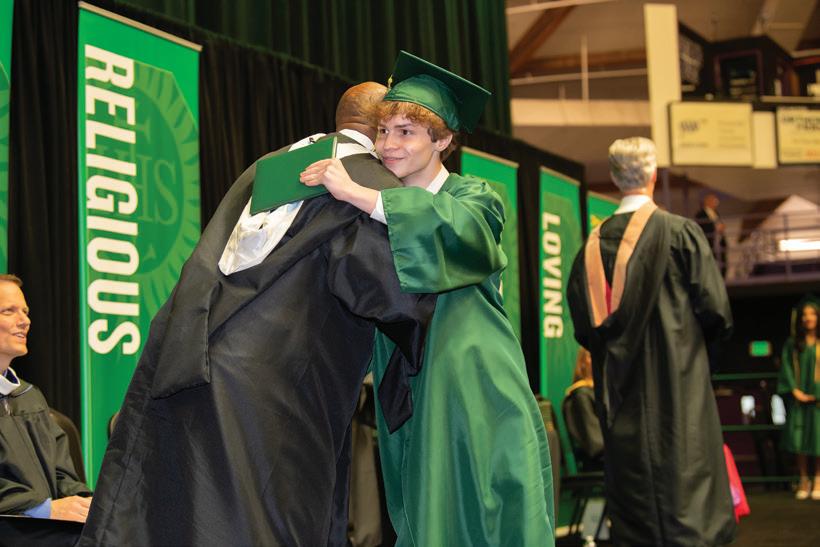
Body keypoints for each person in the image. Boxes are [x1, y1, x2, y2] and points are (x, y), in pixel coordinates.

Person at [79, 83, 437, 546]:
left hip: (194, 349)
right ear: (379, 127)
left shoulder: (273, 163)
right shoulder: (367, 181)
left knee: (184, 515)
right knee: (264, 521)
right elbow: (380, 287)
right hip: (279, 385)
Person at [302, 51, 554, 545]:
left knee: (481, 511)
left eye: (406, 132)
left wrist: (358, 194)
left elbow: (457, 234)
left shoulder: (475, 198)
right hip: (408, 387)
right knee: (424, 512)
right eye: (383, 131)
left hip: (471, 377)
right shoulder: (373, 207)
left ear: (443, 140)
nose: (388, 145)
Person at [566, 137, 736, 545]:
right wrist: (696, 362)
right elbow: (717, 314)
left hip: (620, 400)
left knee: (635, 514)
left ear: (614, 178)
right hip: (681, 397)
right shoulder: (681, 234)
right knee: (688, 508)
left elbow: (585, 331)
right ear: (654, 175)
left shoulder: (590, 249)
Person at [0, 274, 92, 521]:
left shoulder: (30, 398)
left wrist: (85, 502)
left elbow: (60, 474)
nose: (25, 321)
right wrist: (43, 509)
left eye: (25, 312)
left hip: (45, 532)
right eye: (9, 311)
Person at [777, 296, 819, 500]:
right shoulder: (792, 344)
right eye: (805, 314)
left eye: (812, 314)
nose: (808, 318)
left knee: (818, 438)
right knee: (799, 438)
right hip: (798, 399)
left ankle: (818, 479)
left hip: (818, 400)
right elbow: (786, 368)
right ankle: (803, 479)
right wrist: (794, 390)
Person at [562, 348, 603, 467]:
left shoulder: (601, 391)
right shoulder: (581, 395)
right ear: (583, 362)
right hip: (598, 462)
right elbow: (596, 444)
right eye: (591, 356)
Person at [695, 192, 727, 277]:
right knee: (711, 262)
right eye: (714, 201)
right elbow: (702, 227)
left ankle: (722, 277)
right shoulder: (700, 214)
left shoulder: (716, 213)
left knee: (722, 262)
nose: (716, 203)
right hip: (709, 242)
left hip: (719, 241)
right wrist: (715, 228)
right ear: (707, 201)